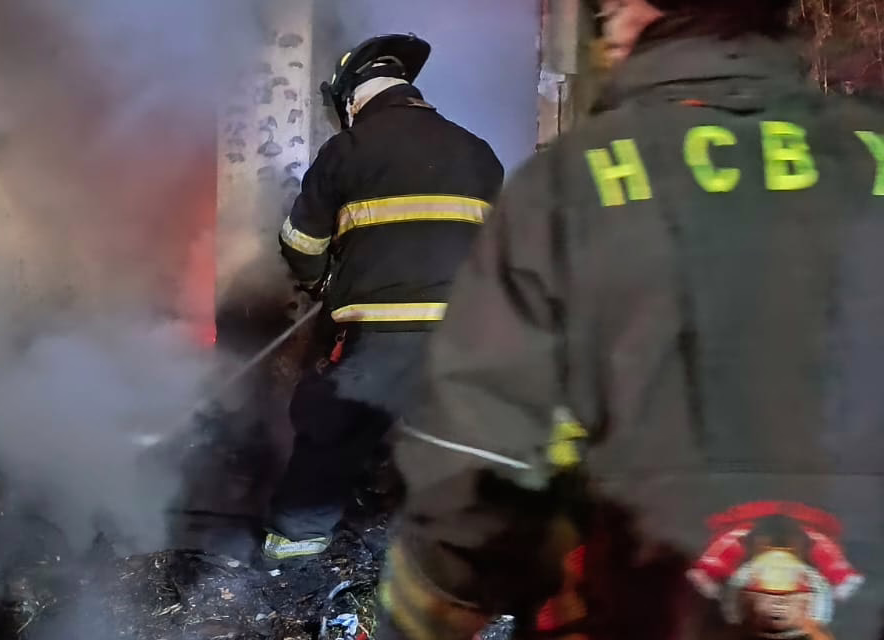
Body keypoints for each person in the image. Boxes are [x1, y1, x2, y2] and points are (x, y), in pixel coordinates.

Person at [379, 1, 884, 638]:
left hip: (636, 603)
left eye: (610, 10)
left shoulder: (570, 180)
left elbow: (483, 454)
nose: (605, 33)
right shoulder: (872, 153)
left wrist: (425, 614)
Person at [264, 33, 505, 560]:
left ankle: (293, 561)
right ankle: (474, 570)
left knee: (332, 434)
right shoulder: (478, 151)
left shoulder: (347, 149)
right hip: (467, 337)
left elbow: (300, 242)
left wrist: (320, 284)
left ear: (352, 99)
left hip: (378, 336)